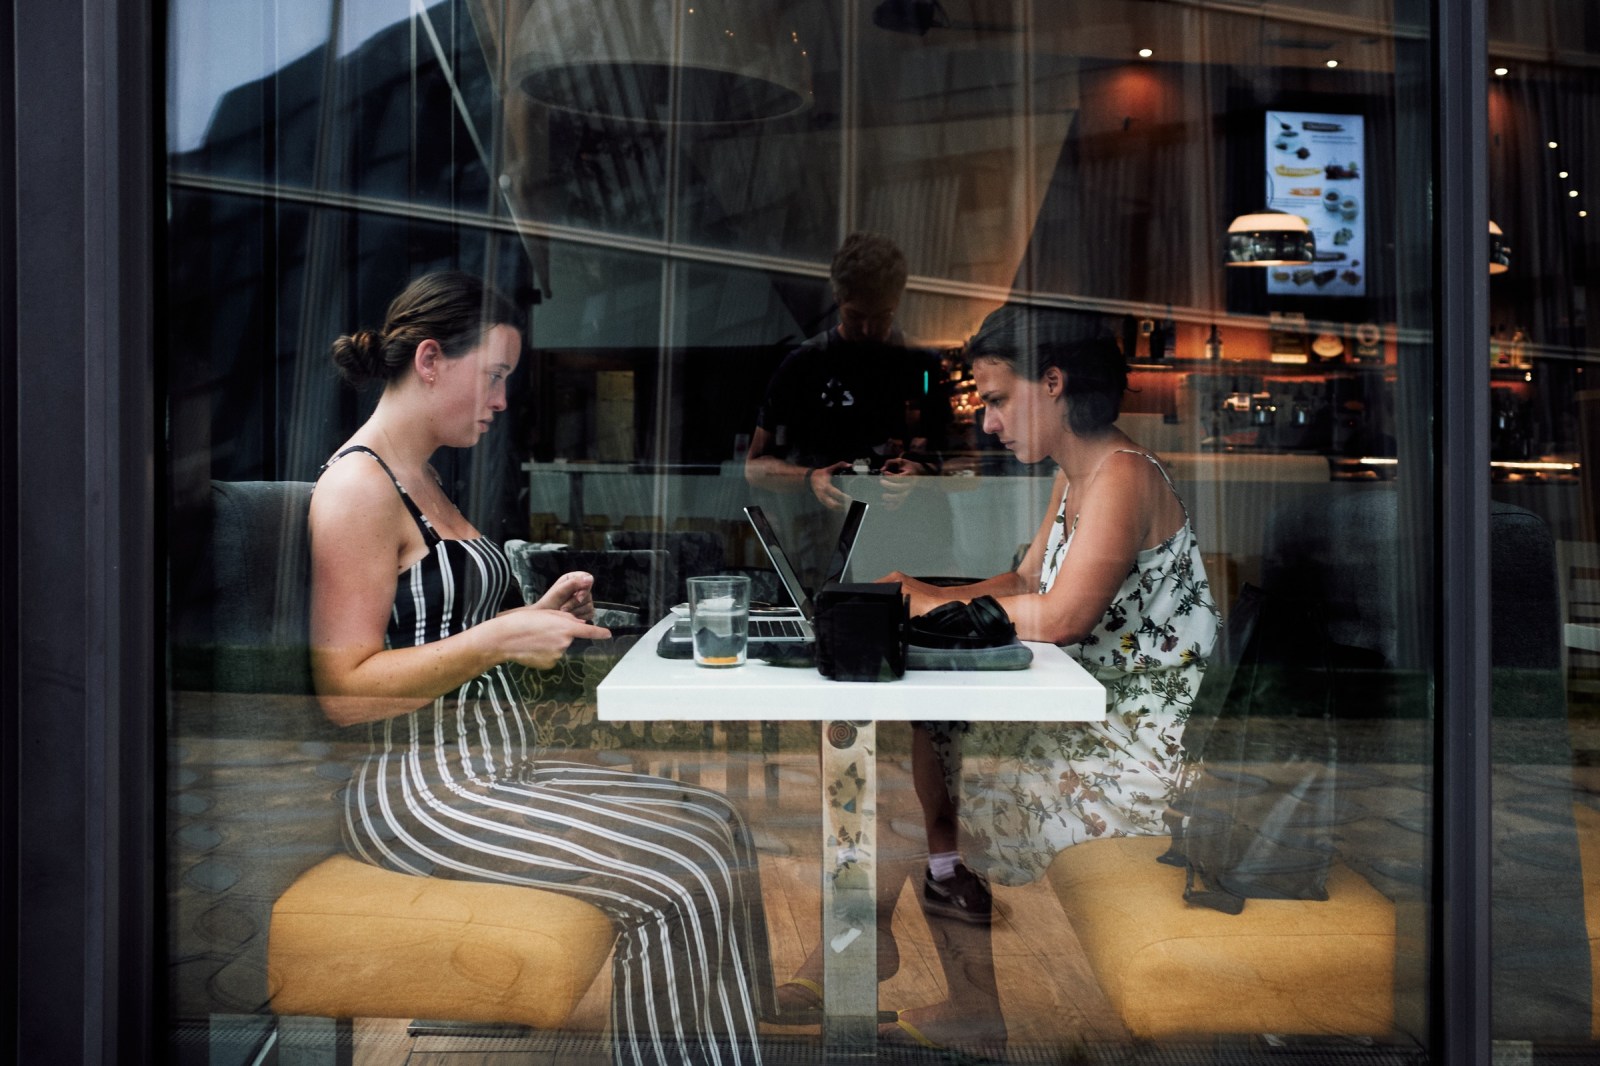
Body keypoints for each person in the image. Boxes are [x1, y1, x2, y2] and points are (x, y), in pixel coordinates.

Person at [309, 271, 774, 1066]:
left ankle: (734, 1032)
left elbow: (438, 630)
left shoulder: (422, 478)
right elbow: (345, 690)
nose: (500, 400)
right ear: (430, 359)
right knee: (678, 870)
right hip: (425, 791)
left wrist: (533, 617)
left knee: (716, 825)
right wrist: (501, 638)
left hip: (497, 769)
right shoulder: (358, 487)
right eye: (492, 376)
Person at [875, 303, 1221, 1048]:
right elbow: (1025, 583)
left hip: (1134, 762)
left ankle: (906, 969)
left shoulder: (1124, 476)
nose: (989, 424)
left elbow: (1061, 616)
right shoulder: (1079, 476)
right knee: (924, 751)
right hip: (1089, 731)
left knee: (910, 816)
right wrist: (919, 593)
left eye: (996, 399)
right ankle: (933, 983)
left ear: (1054, 383)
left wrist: (922, 607)